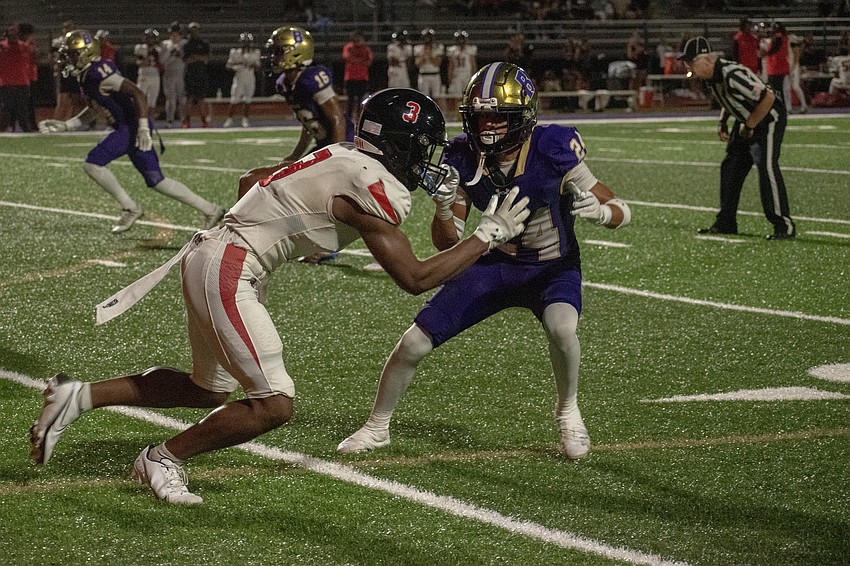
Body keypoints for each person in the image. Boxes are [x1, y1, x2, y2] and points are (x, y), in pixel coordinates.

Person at [30, 87, 531, 504]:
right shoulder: (365, 186)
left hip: (216, 258)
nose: (428, 158)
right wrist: (486, 234)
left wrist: (288, 222)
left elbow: (252, 179)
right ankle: (161, 458)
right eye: (422, 146)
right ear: (399, 146)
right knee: (274, 404)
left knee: (209, 390)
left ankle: (80, 395)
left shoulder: (342, 156)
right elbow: (416, 278)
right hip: (229, 267)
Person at [338, 62, 632, 460]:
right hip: (494, 264)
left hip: (552, 267)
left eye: (499, 116)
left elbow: (615, 205)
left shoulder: (554, 147)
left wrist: (603, 213)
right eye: (481, 116)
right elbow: (449, 242)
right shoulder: (462, 154)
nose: (488, 126)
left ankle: (568, 410)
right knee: (413, 343)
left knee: (563, 328)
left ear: (523, 116)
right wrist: (444, 210)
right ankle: (376, 427)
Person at [37, 30, 225, 235]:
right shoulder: (87, 74)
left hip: (132, 127)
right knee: (156, 180)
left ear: (87, 53)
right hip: (129, 127)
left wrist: (143, 127)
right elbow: (95, 108)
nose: (69, 58)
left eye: (73, 53)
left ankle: (130, 208)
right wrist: (67, 125)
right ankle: (211, 209)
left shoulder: (99, 71)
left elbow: (138, 93)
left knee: (92, 163)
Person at [680, 37, 795, 240]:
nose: (689, 68)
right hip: (746, 119)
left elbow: (767, 98)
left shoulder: (731, 74)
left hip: (768, 117)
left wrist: (750, 125)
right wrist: (723, 120)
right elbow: (728, 98)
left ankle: (783, 225)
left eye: (691, 63)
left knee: (766, 166)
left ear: (704, 60)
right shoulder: (711, 76)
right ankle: (726, 221)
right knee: (731, 167)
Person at [238, 26, 353, 195]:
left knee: (252, 180)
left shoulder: (312, 77)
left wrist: (337, 159)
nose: (274, 57)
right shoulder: (284, 83)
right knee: (256, 180)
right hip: (324, 148)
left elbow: (337, 119)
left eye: (278, 52)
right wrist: (295, 155)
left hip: (346, 147)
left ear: (296, 52)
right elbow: (309, 124)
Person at [0, 23, 36, 132]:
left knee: (23, 109)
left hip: (22, 82)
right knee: (6, 109)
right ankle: (4, 128)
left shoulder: (24, 47)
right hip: (6, 83)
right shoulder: (2, 47)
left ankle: (24, 128)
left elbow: (32, 59)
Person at [223, 32, 261, 128]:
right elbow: (228, 65)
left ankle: (245, 119)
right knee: (234, 99)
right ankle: (230, 119)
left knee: (247, 99)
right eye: (244, 42)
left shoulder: (255, 53)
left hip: (249, 77)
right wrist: (238, 65)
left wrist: (252, 65)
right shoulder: (235, 52)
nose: (246, 44)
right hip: (239, 77)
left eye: (248, 42)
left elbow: (258, 67)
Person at [51, 20, 85, 120]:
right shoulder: (58, 42)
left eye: (70, 28)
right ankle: (57, 120)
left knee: (76, 99)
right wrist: (57, 65)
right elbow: (53, 57)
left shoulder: (78, 42)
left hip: (75, 71)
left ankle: (71, 120)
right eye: (66, 28)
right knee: (63, 98)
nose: (67, 30)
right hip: (64, 71)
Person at [183, 22, 211, 128]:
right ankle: (187, 121)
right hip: (190, 74)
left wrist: (196, 58)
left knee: (201, 99)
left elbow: (206, 59)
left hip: (201, 73)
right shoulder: (187, 44)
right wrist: (198, 58)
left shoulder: (204, 43)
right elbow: (187, 60)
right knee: (189, 98)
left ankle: (204, 120)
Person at [342, 29, 373, 123]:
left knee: (361, 100)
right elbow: (347, 58)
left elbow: (369, 62)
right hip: (350, 77)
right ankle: (348, 119)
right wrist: (361, 61)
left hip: (362, 78)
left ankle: (359, 119)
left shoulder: (366, 49)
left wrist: (356, 60)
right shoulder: (348, 47)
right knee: (350, 99)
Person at [160, 22, 186, 128]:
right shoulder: (165, 44)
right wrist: (170, 51)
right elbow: (162, 60)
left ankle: (183, 120)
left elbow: (186, 58)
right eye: (172, 34)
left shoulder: (184, 44)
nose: (174, 36)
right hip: (169, 74)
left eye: (176, 34)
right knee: (171, 99)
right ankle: (170, 120)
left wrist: (179, 51)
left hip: (182, 74)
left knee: (182, 99)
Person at [445, 30, 477, 113]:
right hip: (457, 76)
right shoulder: (452, 50)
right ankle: (457, 114)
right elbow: (451, 66)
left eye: (462, 39)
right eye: (459, 39)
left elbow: (473, 64)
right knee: (456, 96)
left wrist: (474, 77)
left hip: (467, 75)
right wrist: (450, 78)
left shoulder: (470, 49)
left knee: (468, 96)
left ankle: (468, 113)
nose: (461, 41)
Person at [134, 28, 161, 120]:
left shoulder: (159, 49)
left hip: (155, 75)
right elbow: (140, 63)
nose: (150, 40)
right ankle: (137, 119)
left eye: (152, 38)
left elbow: (161, 63)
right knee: (139, 97)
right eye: (149, 38)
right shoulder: (140, 48)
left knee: (152, 102)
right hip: (144, 75)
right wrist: (149, 52)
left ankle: (150, 121)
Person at [414, 29, 444, 101]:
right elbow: (418, 64)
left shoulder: (438, 47)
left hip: (435, 75)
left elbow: (437, 63)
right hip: (423, 75)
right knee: (423, 98)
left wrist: (429, 54)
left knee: (436, 97)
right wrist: (424, 55)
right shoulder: (418, 48)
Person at [788, 33, 808, 113]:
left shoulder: (795, 48)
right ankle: (789, 108)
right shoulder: (787, 48)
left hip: (794, 68)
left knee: (796, 87)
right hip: (789, 68)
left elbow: (795, 61)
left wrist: (791, 70)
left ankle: (804, 106)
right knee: (788, 89)